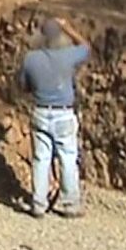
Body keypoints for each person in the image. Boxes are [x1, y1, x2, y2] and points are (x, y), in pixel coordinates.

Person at [19, 17, 90, 218]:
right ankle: (70, 205)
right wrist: (68, 26)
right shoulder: (68, 56)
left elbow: (23, 86)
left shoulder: (30, 58)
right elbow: (86, 47)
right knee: (67, 158)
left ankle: (38, 204)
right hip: (64, 114)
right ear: (61, 36)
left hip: (40, 111)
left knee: (41, 159)